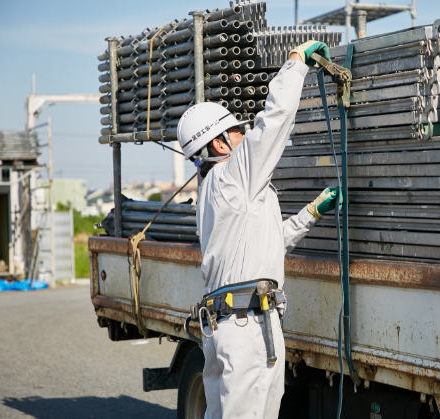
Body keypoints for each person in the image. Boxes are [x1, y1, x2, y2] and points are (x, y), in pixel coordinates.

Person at [177, 41, 340, 419]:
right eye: (237, 131)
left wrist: (311, 214)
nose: (244, 134)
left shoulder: (217, 192)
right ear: (219, 142)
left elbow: (265, 244)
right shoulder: (232, 176)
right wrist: (296, 61)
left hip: (236, 323)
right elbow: (274, 121)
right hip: (245, 325)